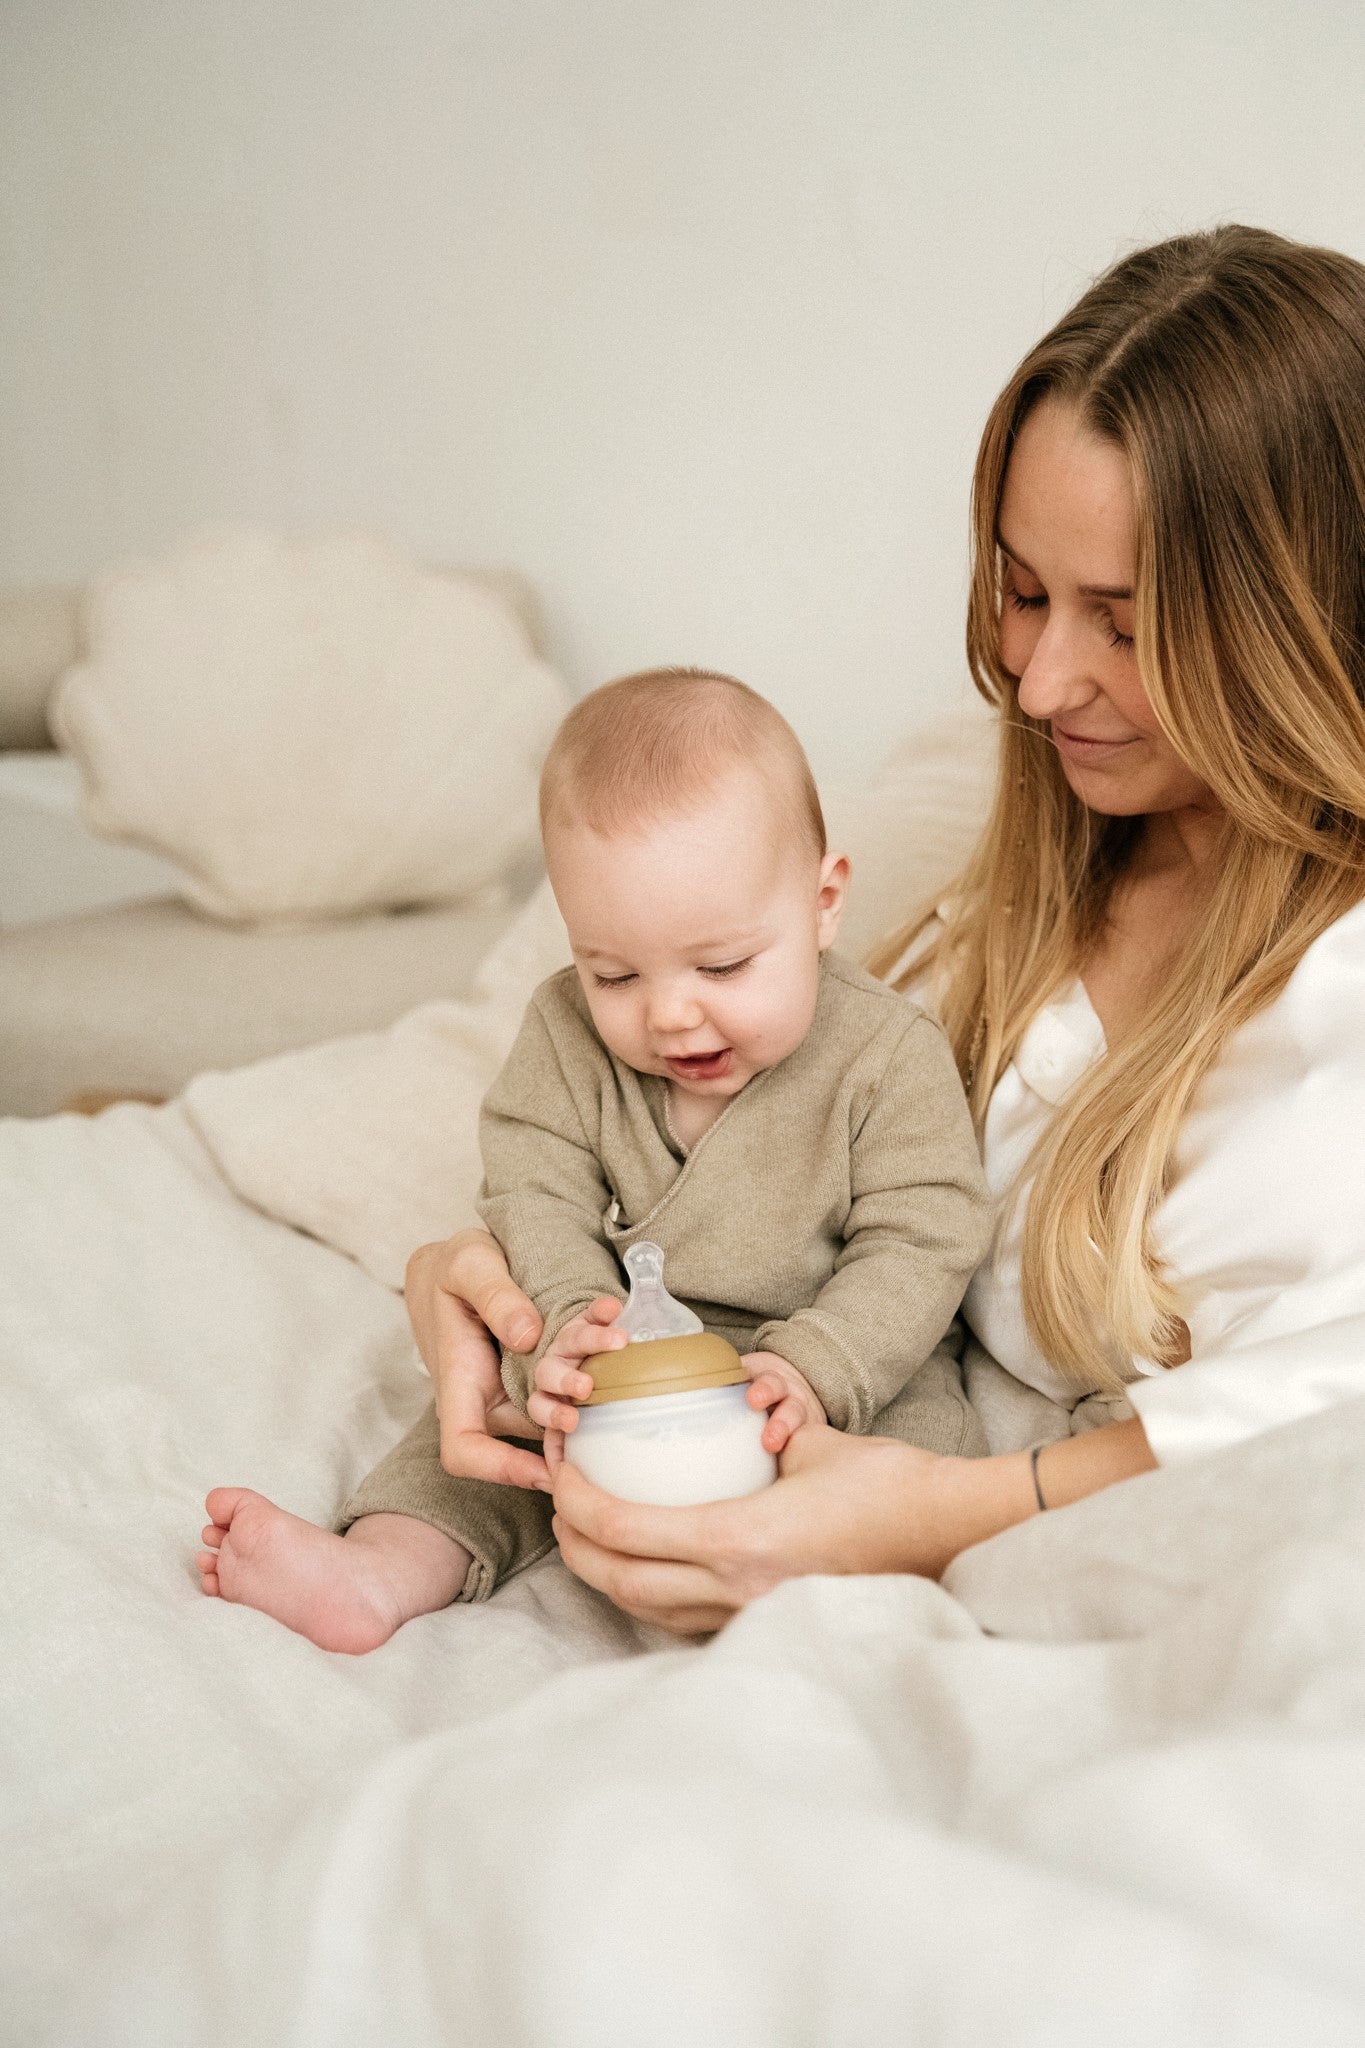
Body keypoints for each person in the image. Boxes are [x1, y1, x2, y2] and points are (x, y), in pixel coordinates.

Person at [403, 224, 1365, 1637]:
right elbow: (758, 1146)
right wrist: (470, 1275)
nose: (1037, 686)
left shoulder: (1331, 993)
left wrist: (929, 1520)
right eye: (1023, 593)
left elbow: (1313, 1402)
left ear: (1307, 617)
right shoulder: (1013, 893)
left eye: (1123, 621)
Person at [196, 670, 993, 1649]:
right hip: (626, 1360)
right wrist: (568, 1326)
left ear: (823, 901)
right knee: (486, 1439)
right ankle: (377, 1569)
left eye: (723, 965)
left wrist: (821, 1364)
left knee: (898, 1469)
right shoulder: (565, 1035)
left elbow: (926, 1236)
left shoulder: (886, 1054)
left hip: (823, 1371)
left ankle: (819, 1620)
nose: (669, 1012)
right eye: (614, 971)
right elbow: (533, 1186)